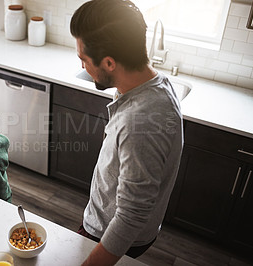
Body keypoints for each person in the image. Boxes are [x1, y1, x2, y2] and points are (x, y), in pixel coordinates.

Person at [70, 0, 183, 265]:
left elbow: (131, 216)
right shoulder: (152, 83)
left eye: (84, 60)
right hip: (110, 221)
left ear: (109, 62)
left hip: (106, 232)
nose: (84, 67)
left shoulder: (141, 122)